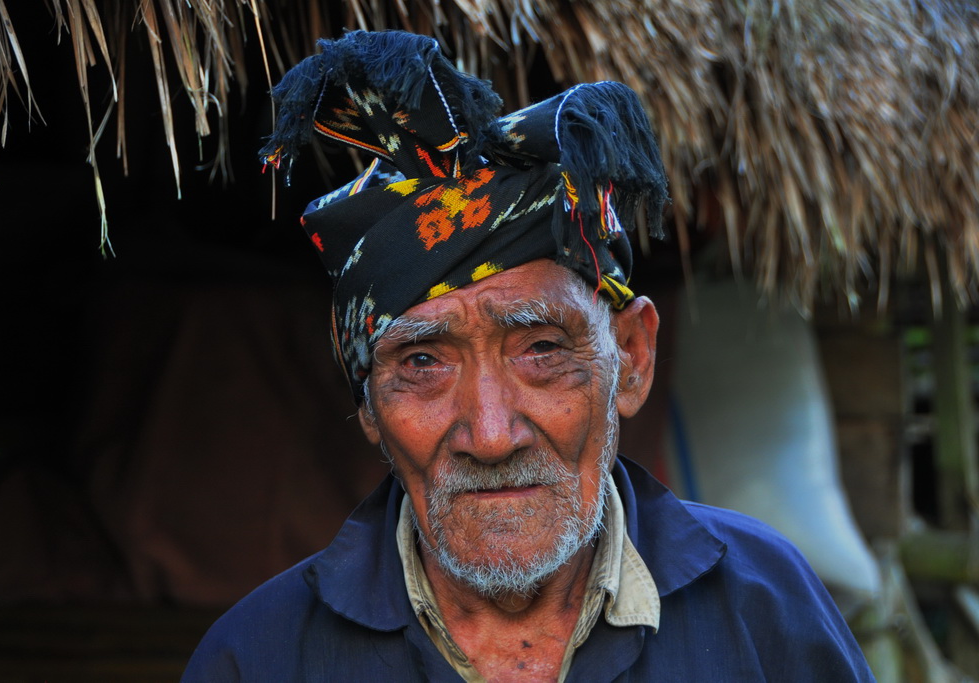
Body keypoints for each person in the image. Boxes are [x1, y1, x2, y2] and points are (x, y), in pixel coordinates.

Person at [183, 30, 875, 682]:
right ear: (366, 399)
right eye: (423, 363)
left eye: (542, 349)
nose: (490, 434)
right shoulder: (260, 658)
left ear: (631, 358)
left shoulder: (766, 613)